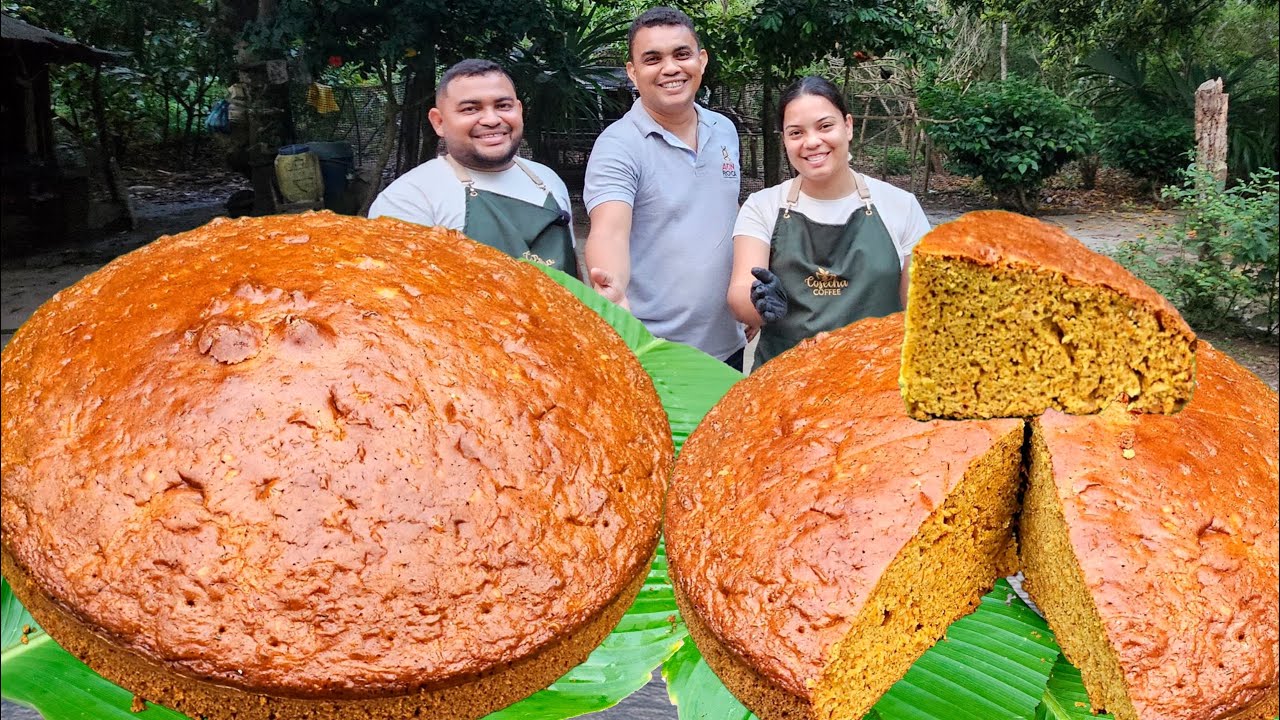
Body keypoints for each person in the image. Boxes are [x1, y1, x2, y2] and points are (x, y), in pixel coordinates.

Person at [729, 75, 931, 370]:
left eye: (825, 126)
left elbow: (920, 309)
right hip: (783, 385)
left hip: (875, 385)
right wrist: (759, 303)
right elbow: (739, 295)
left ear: (847, 126)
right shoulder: (763, 206)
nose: (812, 142)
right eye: (796, 133)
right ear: (784, 139)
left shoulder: (900, 206)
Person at [584, 6, 747, 370]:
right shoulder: (618, 145)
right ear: (632, 71)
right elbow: (609, 230)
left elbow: (726, 215)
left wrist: (745, 295)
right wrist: (613, 289)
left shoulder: (724, 129)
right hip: (654, 352)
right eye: (652, 58)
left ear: (701, 61)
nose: (670, 68)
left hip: (726, 344)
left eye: (682, 54)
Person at [369, 59, 579, 277]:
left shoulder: (547, 179)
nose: (491, 119)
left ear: (519, 110)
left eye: (503, 106)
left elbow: (573, 271)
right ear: (438, 122)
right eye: (470, 109)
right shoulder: (409, 199)